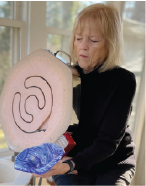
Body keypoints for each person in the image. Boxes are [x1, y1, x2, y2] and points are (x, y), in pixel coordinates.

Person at [33, 3, 136, 186]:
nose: (83, 47)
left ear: (110, 44)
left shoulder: (123, 81)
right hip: (74, 155)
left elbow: (107, 143)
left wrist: (71, 165)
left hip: (113, 163)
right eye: (78, 38)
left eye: (93, 40)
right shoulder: (65, 76)